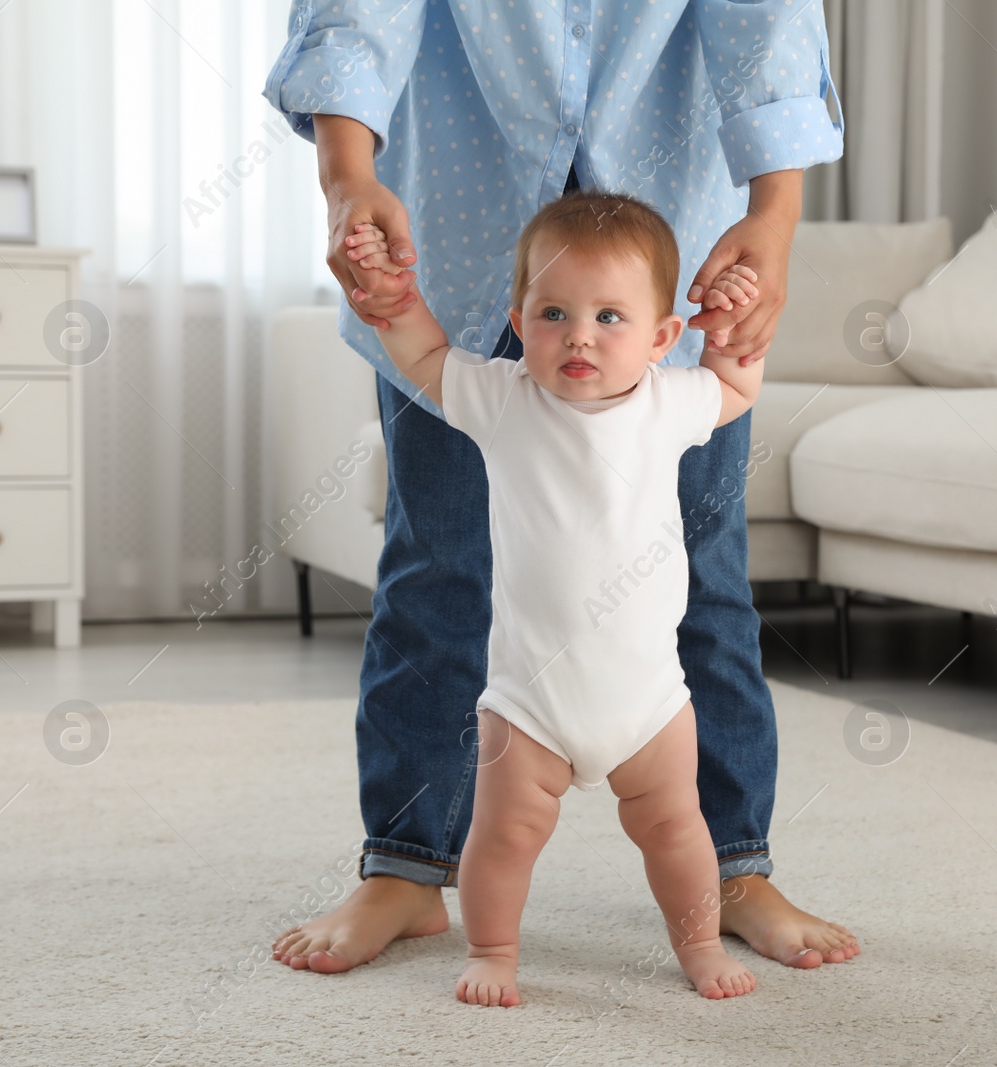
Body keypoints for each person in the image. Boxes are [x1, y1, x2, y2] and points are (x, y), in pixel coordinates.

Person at [263, 0, 859, 974]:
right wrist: (345, 175)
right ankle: (407, 868)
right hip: (459, 207)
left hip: (678, 211)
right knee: (434, 563)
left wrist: (775, 213)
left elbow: (766, 21)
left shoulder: (672, 365)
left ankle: (734, 866)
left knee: (705, 574)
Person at [348, 189, 765, 1005]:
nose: (579, 333)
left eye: (611, 316)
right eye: (552, 313)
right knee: (504, 836)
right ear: (519, 316)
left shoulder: (670, 403)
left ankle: (702, 942)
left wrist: (734, 319)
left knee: (678, 830)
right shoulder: (506, 399)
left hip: (650, 703)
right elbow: (426, 357)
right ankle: (493, 949)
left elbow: (737, 387)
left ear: (661, 338)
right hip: (527, 706)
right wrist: (393, 301)